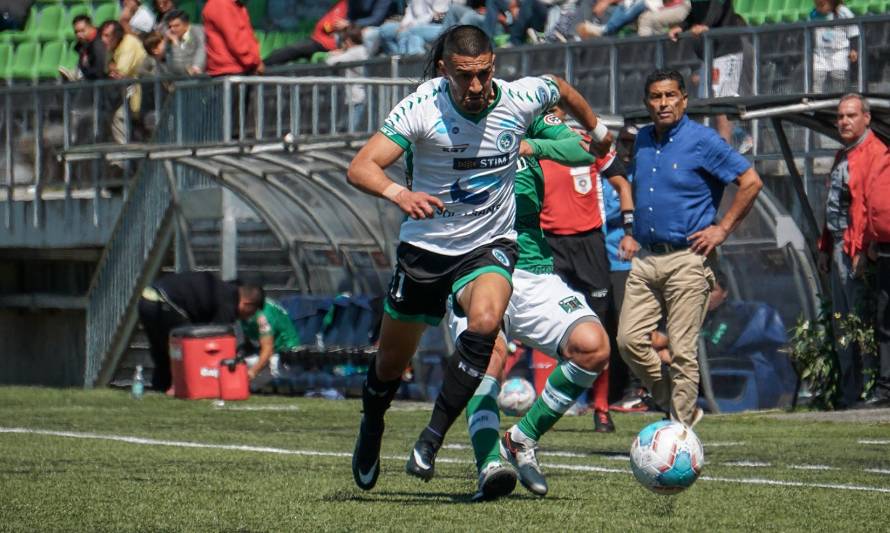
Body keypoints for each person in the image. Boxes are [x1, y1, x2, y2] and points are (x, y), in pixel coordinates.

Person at [346, 24, 613, 492]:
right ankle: (372, 424)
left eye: (484, 74)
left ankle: (433, 439)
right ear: (445, 69)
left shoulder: (519, 98)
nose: (475, 86)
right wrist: (399, 193)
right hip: (427, 249)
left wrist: (599, 130)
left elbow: (562, 88)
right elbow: (361, 166)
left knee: (487, 323)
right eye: (464, 76)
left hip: (489, 246)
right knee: (390, 364)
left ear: (494, 66)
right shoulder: (422, 106)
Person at [432, 110, 622, 500]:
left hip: (533, 270)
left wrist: (531, 141)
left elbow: (584, 149)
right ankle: (488, 464)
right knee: (490, 356)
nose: (479, 88)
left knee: (594, 346)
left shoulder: (530, 126)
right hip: (477, 268)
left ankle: (521, 438)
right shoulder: (449, 131)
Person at [616, 69, 762, 427]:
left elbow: (750, 182)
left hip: (688, 257)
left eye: (670, 96)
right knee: (627, 341)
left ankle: (679, 431)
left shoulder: (703, 140)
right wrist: (632, 231)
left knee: (682, 350)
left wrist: (722, 229)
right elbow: (643, 192)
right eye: (655, 97)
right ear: (647, 102)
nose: (663, 103)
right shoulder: (644, 139)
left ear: (683, 99)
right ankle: (674, 400)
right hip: (646, 257)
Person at [537, 111, 638, 434]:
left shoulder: (585, 143)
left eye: (555, 107)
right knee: (551, 328)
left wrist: (629, 229)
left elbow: (622, 185)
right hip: (549, 245)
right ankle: (554, 402)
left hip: (590, 246)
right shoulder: (531, 147)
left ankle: (602, 408)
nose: (549, 114)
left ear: (563, 111)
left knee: (598, 328)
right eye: (544, 108)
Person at [818, 94, 882, 408]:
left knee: (861, 321)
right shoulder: (843, 153)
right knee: (841, 322)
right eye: (840, 116)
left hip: (856, 250)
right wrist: (824, 247)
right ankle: (849, 393)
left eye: (851, 115)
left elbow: (873, 209)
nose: (844, 121)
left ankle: (872, 388)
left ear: (866, 118)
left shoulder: (875, 153)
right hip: (838, 247)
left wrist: (863, 247)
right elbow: (833, 206)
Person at [137, 271, 265, 392]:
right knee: (183, 352)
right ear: (247, 304)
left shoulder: (222, 290)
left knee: (162, 354)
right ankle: (185, 389)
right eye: (250, 313)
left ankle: (161, 389)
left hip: (147, 298)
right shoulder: (229, 302)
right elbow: (218, 340)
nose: (247, 317)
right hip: (166, 303)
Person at [667, 0, 748, 145]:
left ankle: (727, 151)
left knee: (721, 104)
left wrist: (706, 24)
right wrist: (682, 26)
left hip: (725, 52)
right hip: (708, 55)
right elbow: (696, 12)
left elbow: (717, 6)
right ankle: (712, 151)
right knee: (706, 104)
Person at [861, 113, 890, 407]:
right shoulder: (881, 158)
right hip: (883, 250)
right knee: (884, 320)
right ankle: (886, 387)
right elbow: (871, 204)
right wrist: (869, 239)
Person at [100, 20, 147, 145]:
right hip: (128, 96)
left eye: (107, 35)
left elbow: (120, 73)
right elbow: (107, 69)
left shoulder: (128, 43)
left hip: (144, 95)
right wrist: (111, 68)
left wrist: (112, 68)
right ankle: (123, 162)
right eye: (102, 36)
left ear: (117, 35)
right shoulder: (112, 47)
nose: (103, 40)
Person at [239, 298, 302, 391]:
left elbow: (268, 350)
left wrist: (252, 372)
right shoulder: (245, 309)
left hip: (283, 352)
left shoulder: (263, 314)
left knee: (280, 383)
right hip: (266, 348)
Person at [265, 1, 347, 66]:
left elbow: (332, 27)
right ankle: (262, 66)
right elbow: (329, 24)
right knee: (283, 52)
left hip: (323, 43)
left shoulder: (352, 5)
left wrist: (346, 24)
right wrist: (327, 25)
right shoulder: (343, 3)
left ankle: (262, 67)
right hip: (318, 38)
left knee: (290, 50)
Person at [324, 25, 370, 132]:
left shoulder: (356, 51)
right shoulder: (361, 50)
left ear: (348, 40)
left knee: (350, 131)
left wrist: (334, 54)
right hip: (353, 97)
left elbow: (330, 61)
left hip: (357, 97)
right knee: (344, 128)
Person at [202, 0, 264, 77]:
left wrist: (256, 60)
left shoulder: (234, 4)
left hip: (239, 69)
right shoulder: (221, 4)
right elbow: (235, 42)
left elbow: (247, 36)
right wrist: (254, 62)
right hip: (231, 71)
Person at [810, 0, 859, 94]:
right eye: (817, 5)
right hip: (820, 52)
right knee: (817, 76)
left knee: (838, 75)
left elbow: (853, 31)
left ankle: (839, 97)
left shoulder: (843, 12)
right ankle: (816, 99)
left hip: (839, 51)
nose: (818, 8)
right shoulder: (813, 14)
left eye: (821, 5)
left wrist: (854, 49)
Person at [164, 9, 206, 76]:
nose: (172, 29)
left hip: (201, 80)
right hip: (182, 81)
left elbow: (202, 50)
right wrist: (175, 44)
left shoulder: (198, 32)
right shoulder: (170, 40)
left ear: (186, 25)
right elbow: (177, 68)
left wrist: (196, 67)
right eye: (170, 26)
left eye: (176, 26)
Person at [71, 15, 108, 81]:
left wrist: (83, 76)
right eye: (76, 32)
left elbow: (99, 70)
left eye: (82, 31)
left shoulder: (99, 44)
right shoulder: (82, 44)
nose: (79, 35)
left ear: (91, 28)